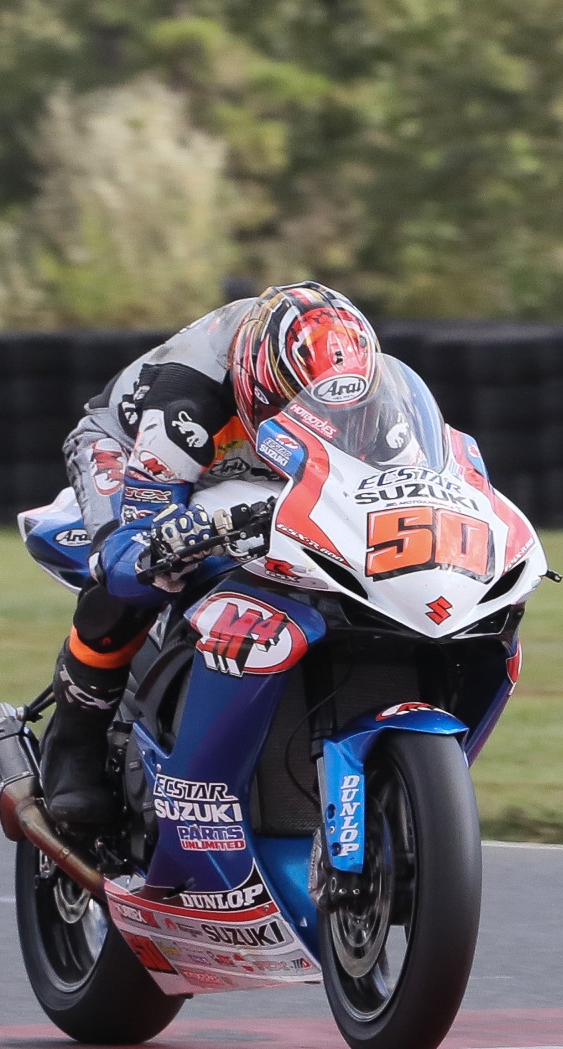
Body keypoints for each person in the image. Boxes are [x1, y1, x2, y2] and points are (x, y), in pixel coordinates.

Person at [41, 281, 381, 826]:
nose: (315, 418)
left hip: (264, 466)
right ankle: (74, 739)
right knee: (135, 573)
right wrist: (165, 542)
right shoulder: (189, 400)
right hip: (129, 447)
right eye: (292, 405)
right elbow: (135, 548)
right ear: (256, 383)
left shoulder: (359, 387)